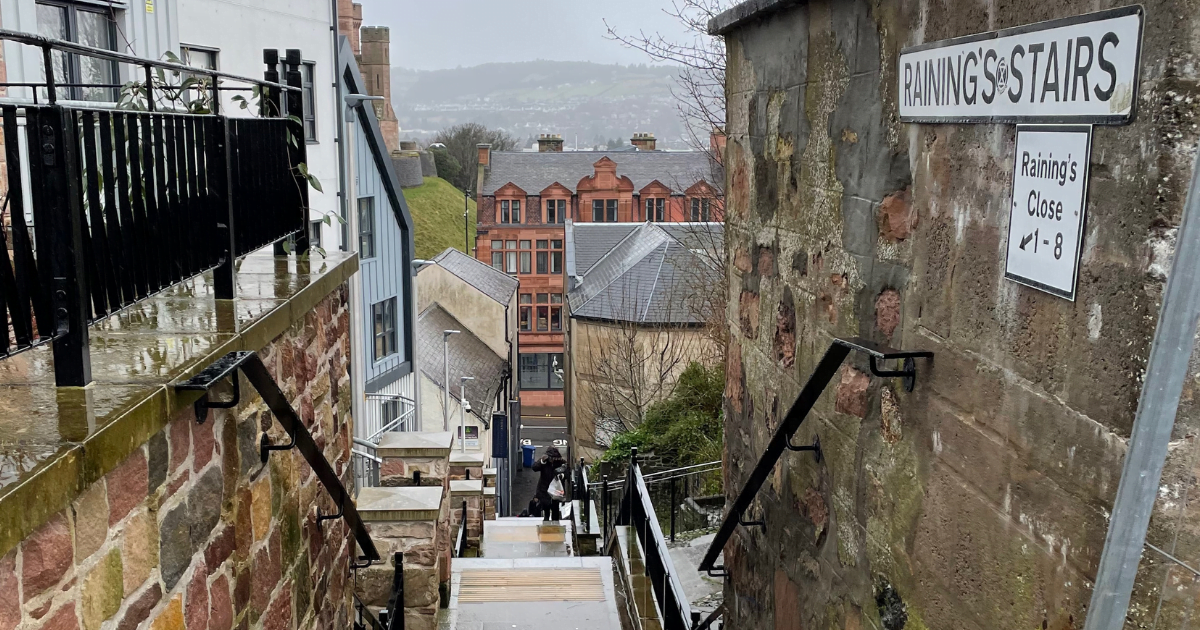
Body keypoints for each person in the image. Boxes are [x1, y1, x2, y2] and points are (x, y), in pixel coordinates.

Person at [531, 447, 567, 522]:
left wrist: (562, 475)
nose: (551, 460)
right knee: (546, 510)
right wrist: (541, 461)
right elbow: (534, 467)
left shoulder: (560, 462)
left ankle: (555, 525)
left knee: (555, 512)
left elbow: (567, 472)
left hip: (556, 490)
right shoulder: (544, 463)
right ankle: (546, 523)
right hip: (545, 489)